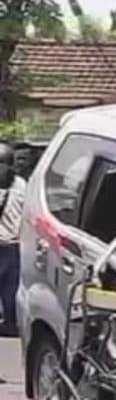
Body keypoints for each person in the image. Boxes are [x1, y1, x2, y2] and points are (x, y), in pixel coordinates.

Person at [0, 143, 26, 337]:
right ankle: (10, 323)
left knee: (10, 288)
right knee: (10, 288)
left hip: (11, 245)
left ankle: (10, 322)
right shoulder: (21, 185)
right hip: (13, 245)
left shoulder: (21, 186)